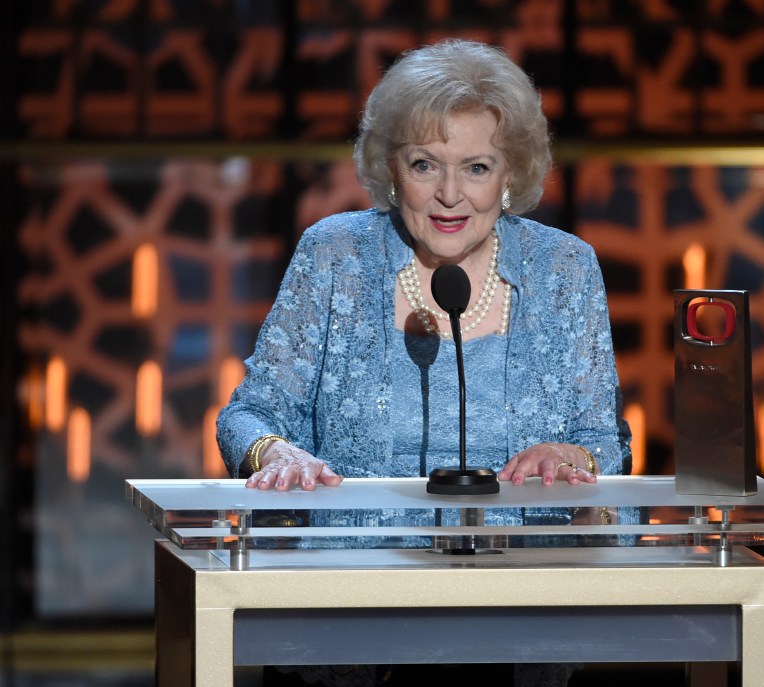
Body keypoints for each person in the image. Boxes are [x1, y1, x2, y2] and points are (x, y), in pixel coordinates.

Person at [217, 38, 632, 687]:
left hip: (518, 625)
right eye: (424, 164)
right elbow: (250, 413)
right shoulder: (336, 258)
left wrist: (574, 461)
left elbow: (604, 441)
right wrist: (274, 452)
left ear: (511, 173)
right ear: (390, 167)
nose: (448, 195)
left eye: (475, 167)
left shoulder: (564, 270)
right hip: (347, 624)